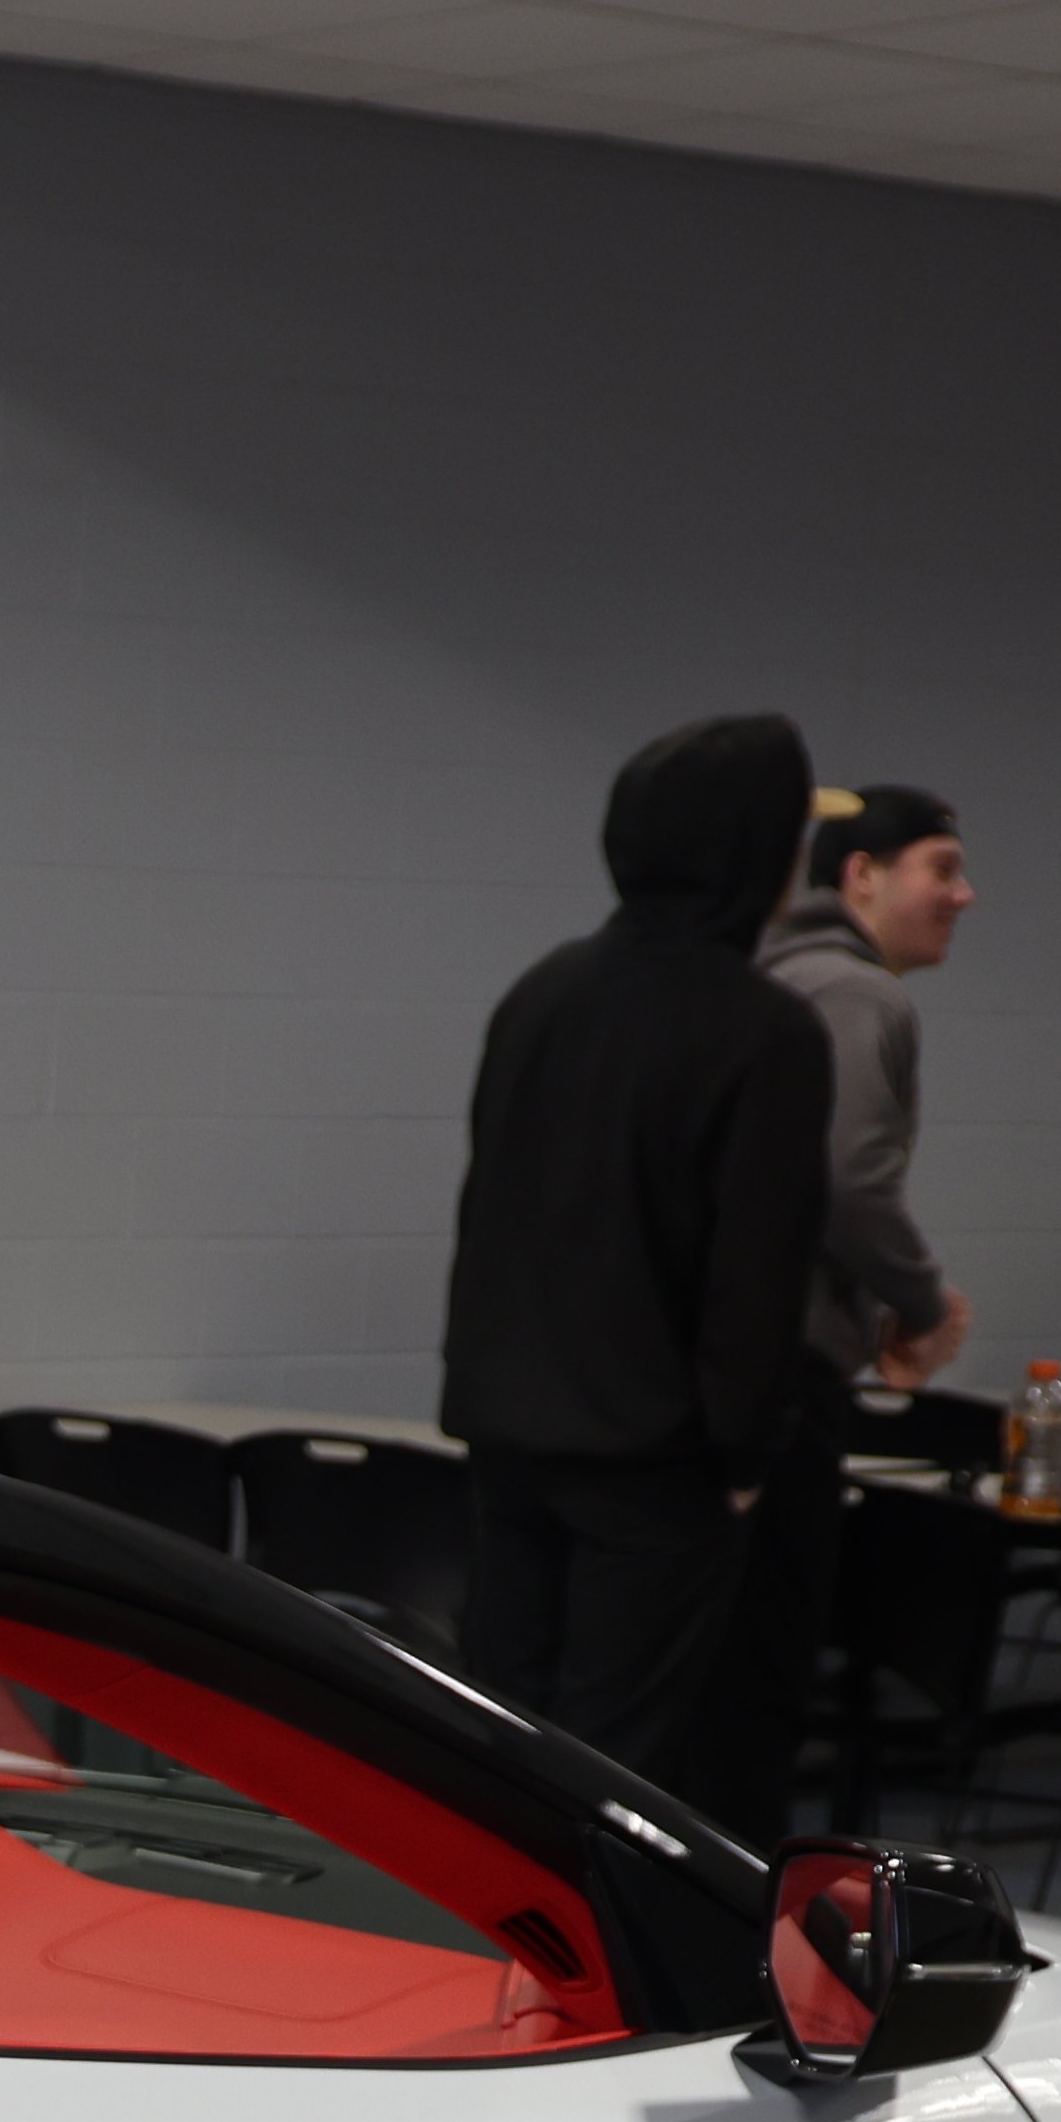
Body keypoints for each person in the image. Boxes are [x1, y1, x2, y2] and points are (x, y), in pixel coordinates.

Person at [438, 713, 837, 1819]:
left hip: (507, 1426)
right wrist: (746, 1448)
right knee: (618, 1761)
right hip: (653, 1455)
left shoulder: (541, 992)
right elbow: (755, 1267)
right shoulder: (763, 1032)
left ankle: (483, 1963)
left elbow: (490, 1205)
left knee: (500, 1731)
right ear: (757, 851)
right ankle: (597, 1986)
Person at [755, 780, 973, 1825]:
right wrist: (920, 1299)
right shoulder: (857, 997)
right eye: (941, 867)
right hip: (783, 1374)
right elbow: (844, 1180)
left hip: (710, 1368)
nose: (963, 895)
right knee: (765, 1661)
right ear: (859, 875)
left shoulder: (754, 978)